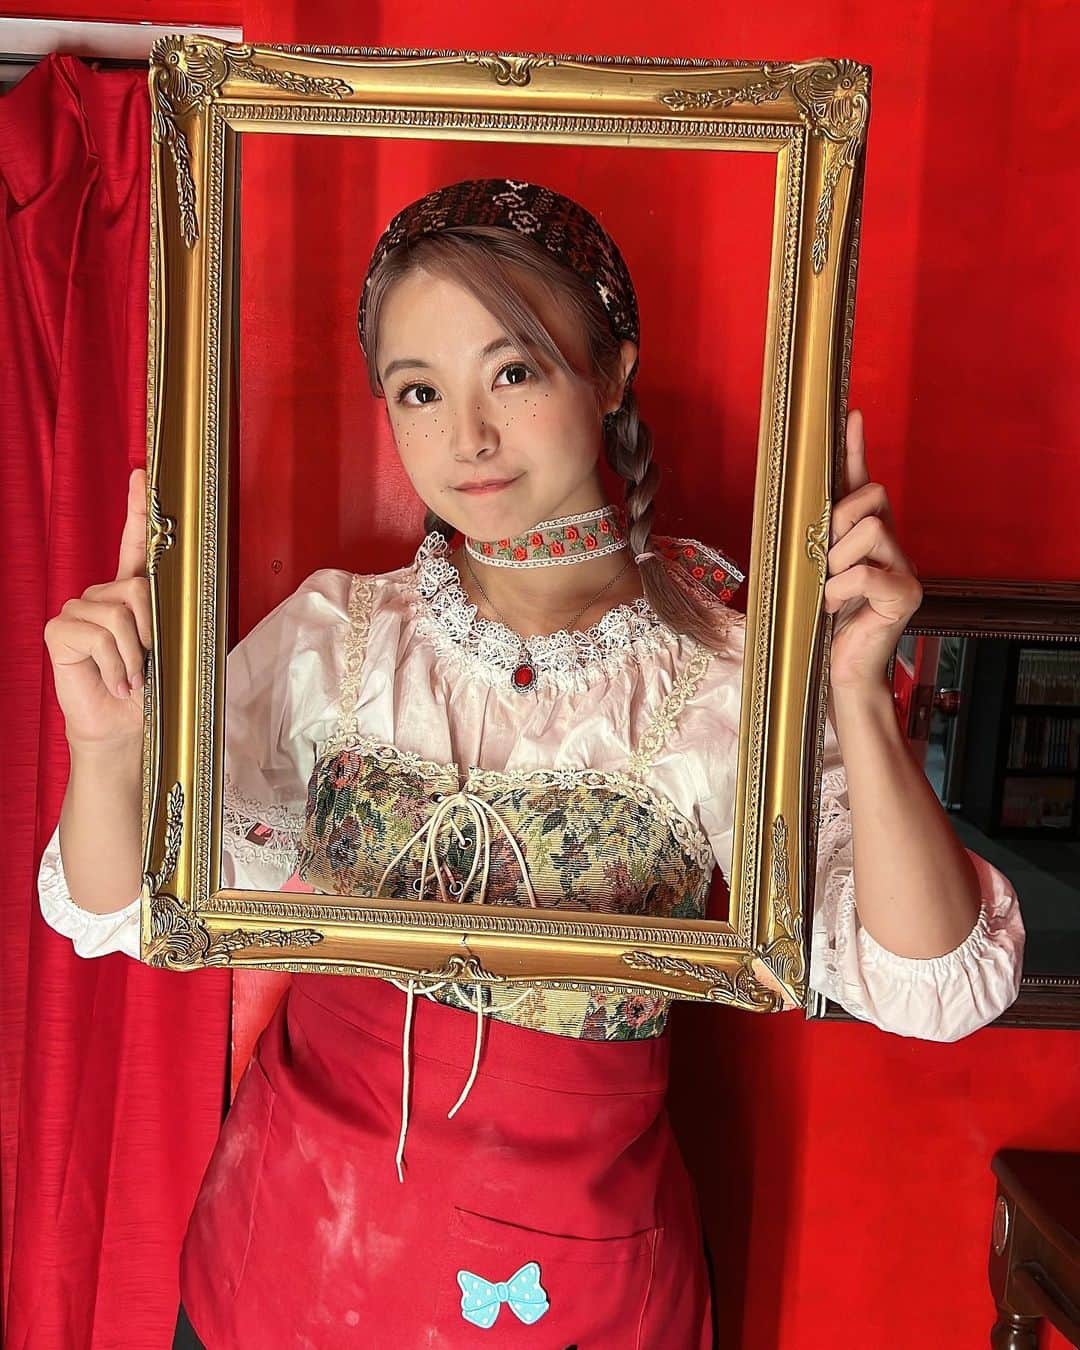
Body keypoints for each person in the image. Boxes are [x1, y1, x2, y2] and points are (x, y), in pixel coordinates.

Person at [38, 179, 1025, 1349]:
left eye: (511, 371)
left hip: (565, 1289)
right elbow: (124, 908)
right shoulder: (337, 639)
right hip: (279, 1252)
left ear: (611, 373)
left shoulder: (723, 673)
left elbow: (930, 983)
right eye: (419, 390)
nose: (467, 437)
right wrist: (107, 748)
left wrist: (853, 690)